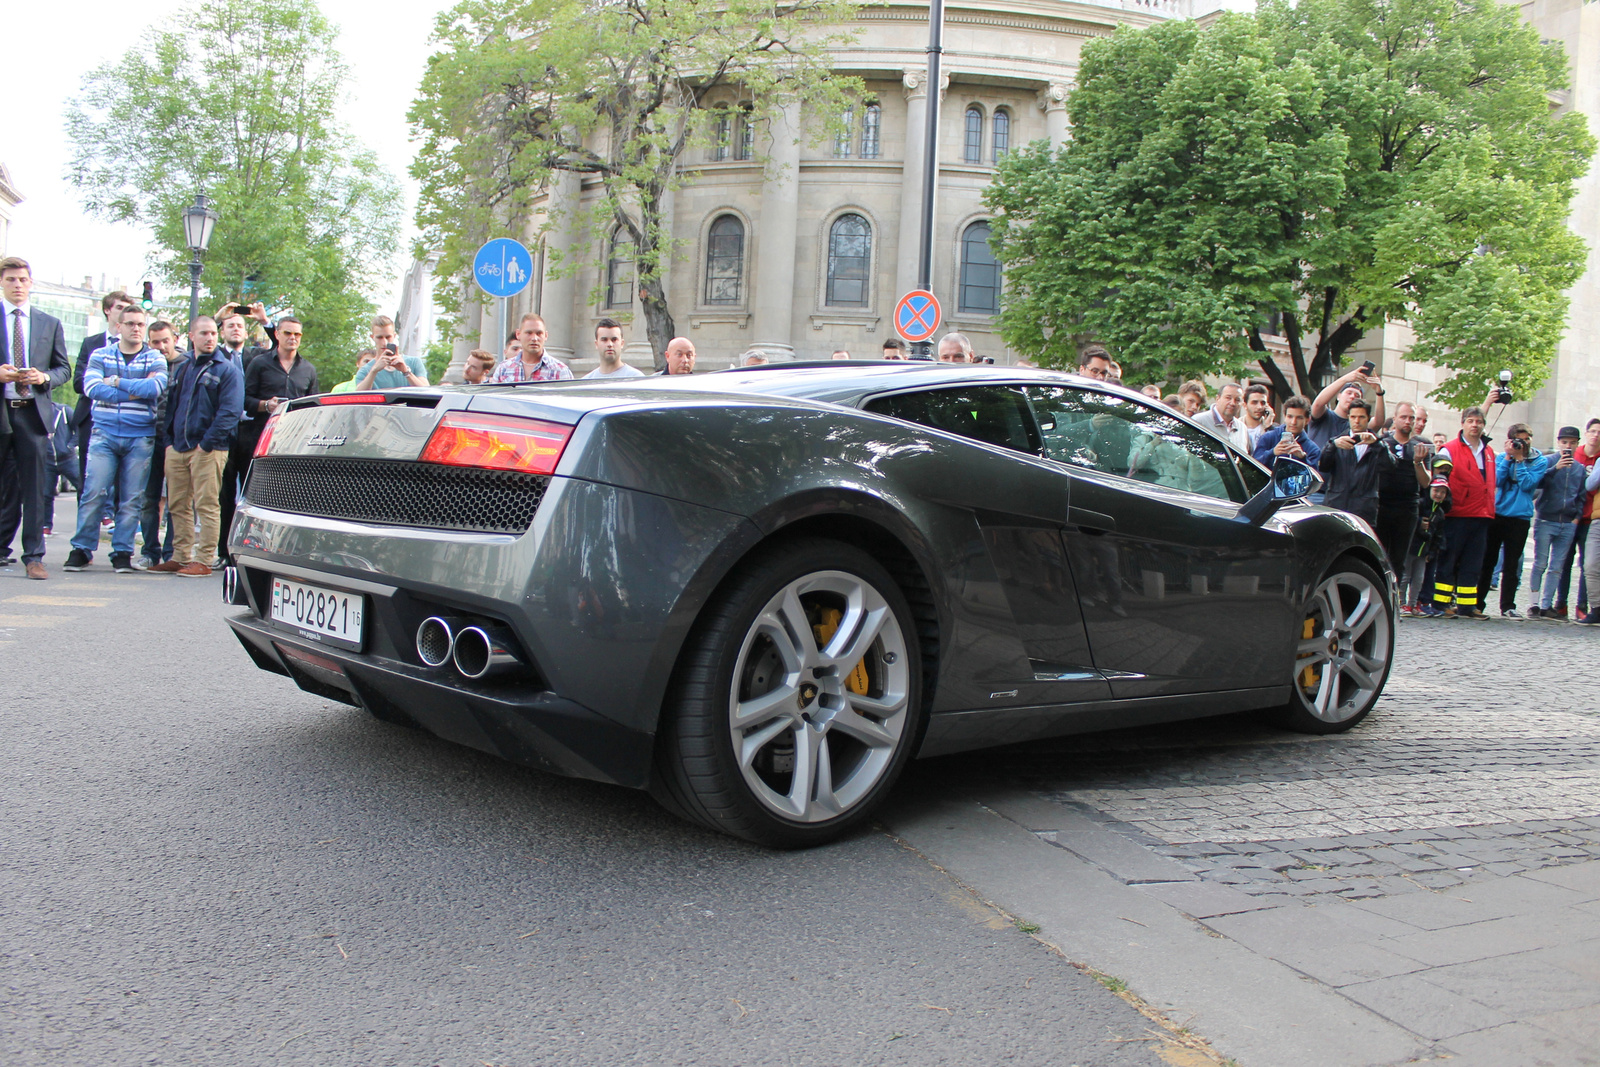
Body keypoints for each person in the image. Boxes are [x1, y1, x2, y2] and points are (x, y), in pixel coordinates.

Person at [63, 305, 167, 574]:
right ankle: (81, 549)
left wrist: (116, 382)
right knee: (93, 493)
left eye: (140, 325)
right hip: (105, 433)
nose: (136, 329)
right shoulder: (100, 354)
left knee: (132, 498)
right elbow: (92, 388)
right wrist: (134, 390)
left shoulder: (154, 357)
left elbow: (155, 388)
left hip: (140, 436)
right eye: (130, 323)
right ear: (118, 326)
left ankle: (121, 552)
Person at [0, 257, 71, 579]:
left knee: (36, 488)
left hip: (32, 413)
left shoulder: (48, 323)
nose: (17, 285)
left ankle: (34, 556)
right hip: (2, 411)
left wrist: (43, 378)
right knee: (5, 489)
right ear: (2, 282)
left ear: (31, 283)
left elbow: (63, 370)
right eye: (11, 279)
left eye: (22, 279)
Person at [157, 317, 242, 577]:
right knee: (178, 504)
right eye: (204, 333)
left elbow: (230, 411)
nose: (210, 338)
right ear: (191, 336)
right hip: (178, 447)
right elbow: (172, 406)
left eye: (213, 333)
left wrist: (206, 444)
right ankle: (181, 556)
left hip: (208, 448)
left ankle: (204, 559)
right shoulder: (184, 368)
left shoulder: (227, 370)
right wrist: (169, 441)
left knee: (207, 504)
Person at [1477, 423, 1547, 618]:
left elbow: (1528, 485)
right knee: (1488, 561)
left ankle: (1507, 605)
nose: (1522, 443)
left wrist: (1521, 460)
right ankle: (1478, 603)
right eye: (1518, 439)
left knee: (1512, 564)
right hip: (1498, 514)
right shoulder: (1502, 458)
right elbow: (1496, 481)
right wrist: (1508, 458)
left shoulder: (1540, 461)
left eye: (1526, 439)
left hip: (1520, 516)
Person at [1433, 407, 1496, 619]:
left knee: (1473, 562)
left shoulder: (1488, 451)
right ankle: (1440, 603)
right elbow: (1440, 479)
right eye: (1470, 421)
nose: (1475, 425)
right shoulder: (1449, 450)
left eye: (1478, 421)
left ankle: (1467, 605)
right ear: (1463, 423)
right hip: (1457, 513)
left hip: (1482, 514)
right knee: (1449, 560)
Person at [68, 290, 133, 489]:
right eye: (119, 308)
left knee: (120, 481)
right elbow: (79, 382)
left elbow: (137, 385)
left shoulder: (136, 345)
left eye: (127, 310)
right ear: (107, 311)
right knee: (88, 479)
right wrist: (115, 382)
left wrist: (101, 381)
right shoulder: (91, 344)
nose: (123, 314)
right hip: (91, 418)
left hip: (124, 418)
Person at [240, 317, 318, 471]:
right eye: (287, 333)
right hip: (262, 436)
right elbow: (244, 400)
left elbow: (314, 406)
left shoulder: (308, 369)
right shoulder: (259, 363)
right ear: (276, 334)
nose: (293, 337)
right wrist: (266, 405)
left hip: (295, 439)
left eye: (297, 334)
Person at [1375, 402, 1432, 608]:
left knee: (1399, 558)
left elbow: (1426, 482)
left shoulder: (1422, 446)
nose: (1408, 421)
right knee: (1379, 553)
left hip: (1407, 507)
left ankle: (1392, 600)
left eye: (1412, 418)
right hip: (1381, 505)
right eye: (1404, 417)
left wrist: (1418, 461)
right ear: (1396, 418)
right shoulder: (1383, 442)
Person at [1527, 427, 1588, 620]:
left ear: (1577, 444)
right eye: (1564, 442)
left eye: (1572, 443)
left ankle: (1547, 605)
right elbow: (1537, 484)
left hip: (1568, 522)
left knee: (1557, 566)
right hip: (1546, 519)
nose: (1568, 446)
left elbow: (1581, 494)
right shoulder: (1548, 462)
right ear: (1559, 442)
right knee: (1540, 563)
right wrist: (1556, 469)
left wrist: (1576, 516)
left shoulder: (1579, 468)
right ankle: (1534, 604)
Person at [138, 320, 184, 569]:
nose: (161, 346)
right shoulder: (143, 363)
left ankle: (170, 552)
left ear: (174, 339)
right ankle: (149, 551)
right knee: (148, 498)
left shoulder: (186, 364)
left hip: (176, 440)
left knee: (176, 498)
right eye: (155, 342)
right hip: (147, 436)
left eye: (165, 340)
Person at [1316, 399, 1394, 526]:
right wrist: (1333, 446)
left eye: (1361, 417)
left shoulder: (1378, 445)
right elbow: (1323, 467)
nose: (1356, 421)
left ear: (1368, 418)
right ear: (1348, 418)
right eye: (1353, 417)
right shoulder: (1337, 441)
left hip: (1364, 509)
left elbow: (1390, 467)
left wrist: (1376, 444)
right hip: (1337, 504)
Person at [1554, 419, 1600, 620]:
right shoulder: (1575, 455)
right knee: (1563, 562)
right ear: (1587, 434)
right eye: (1593, 431)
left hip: (1592, 516)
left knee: (1587, 564)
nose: (1596, 435)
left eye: (1599, 432)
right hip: (1570, 516)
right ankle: (1560, 603)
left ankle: (1582, 605)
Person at [1308, 367, 1387, 455]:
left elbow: (1378, 422)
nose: (1352, 397)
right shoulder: (1324, 415)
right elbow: (1318, 404)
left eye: (1357, 395)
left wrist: (1379, 392)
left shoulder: (1358, 423)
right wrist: (1346, 379)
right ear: (1338, 396)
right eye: (1349, 393)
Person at [345, 315, 428, 390]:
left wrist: (406, 372)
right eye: (379, 337)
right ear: (372, 337)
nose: (384, 342)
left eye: (388, 337)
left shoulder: (414, 362)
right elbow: (360, 395)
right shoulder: (365, 370)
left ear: (394, 336)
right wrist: (374, 371)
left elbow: (426, 391)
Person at [1413, 478, 1454, 617]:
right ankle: (1406, 604)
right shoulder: (1420, 505)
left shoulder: (1440, 512)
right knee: (1409, 576)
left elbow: (1439, 533)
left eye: (1443, 492)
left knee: (1426, 576)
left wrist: (1435, 549)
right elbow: (1410, 522)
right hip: (1415, 547)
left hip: (1430, 549)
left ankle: (1423, 603)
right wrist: (1419, 524)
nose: (1439, 494)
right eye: (1436, 490)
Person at [492, 314, 572, 382]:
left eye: (539, 333)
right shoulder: (504, 368)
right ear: (518, 334)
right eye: (529, 333)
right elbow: (492, 399)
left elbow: (568, 399)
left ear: (546, 336)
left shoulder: (559, 370)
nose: (534, 338)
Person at [1252, 396, 1322, 468]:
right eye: (1290, 417)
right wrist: (1272, 452)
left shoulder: (1313, 449)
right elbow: (1252, 466)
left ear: (1307, 420)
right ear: (1285, 417)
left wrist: (1302, 458)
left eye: (1299, 418)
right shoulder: (1268, 438)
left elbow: (1314, 476)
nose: (1293, 422)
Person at [1195, 382, 1251, 452]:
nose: (1232, 403)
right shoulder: (1199, 421)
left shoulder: (1242, 428)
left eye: (1237, 400)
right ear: (1217, 398)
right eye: (1228, 398)